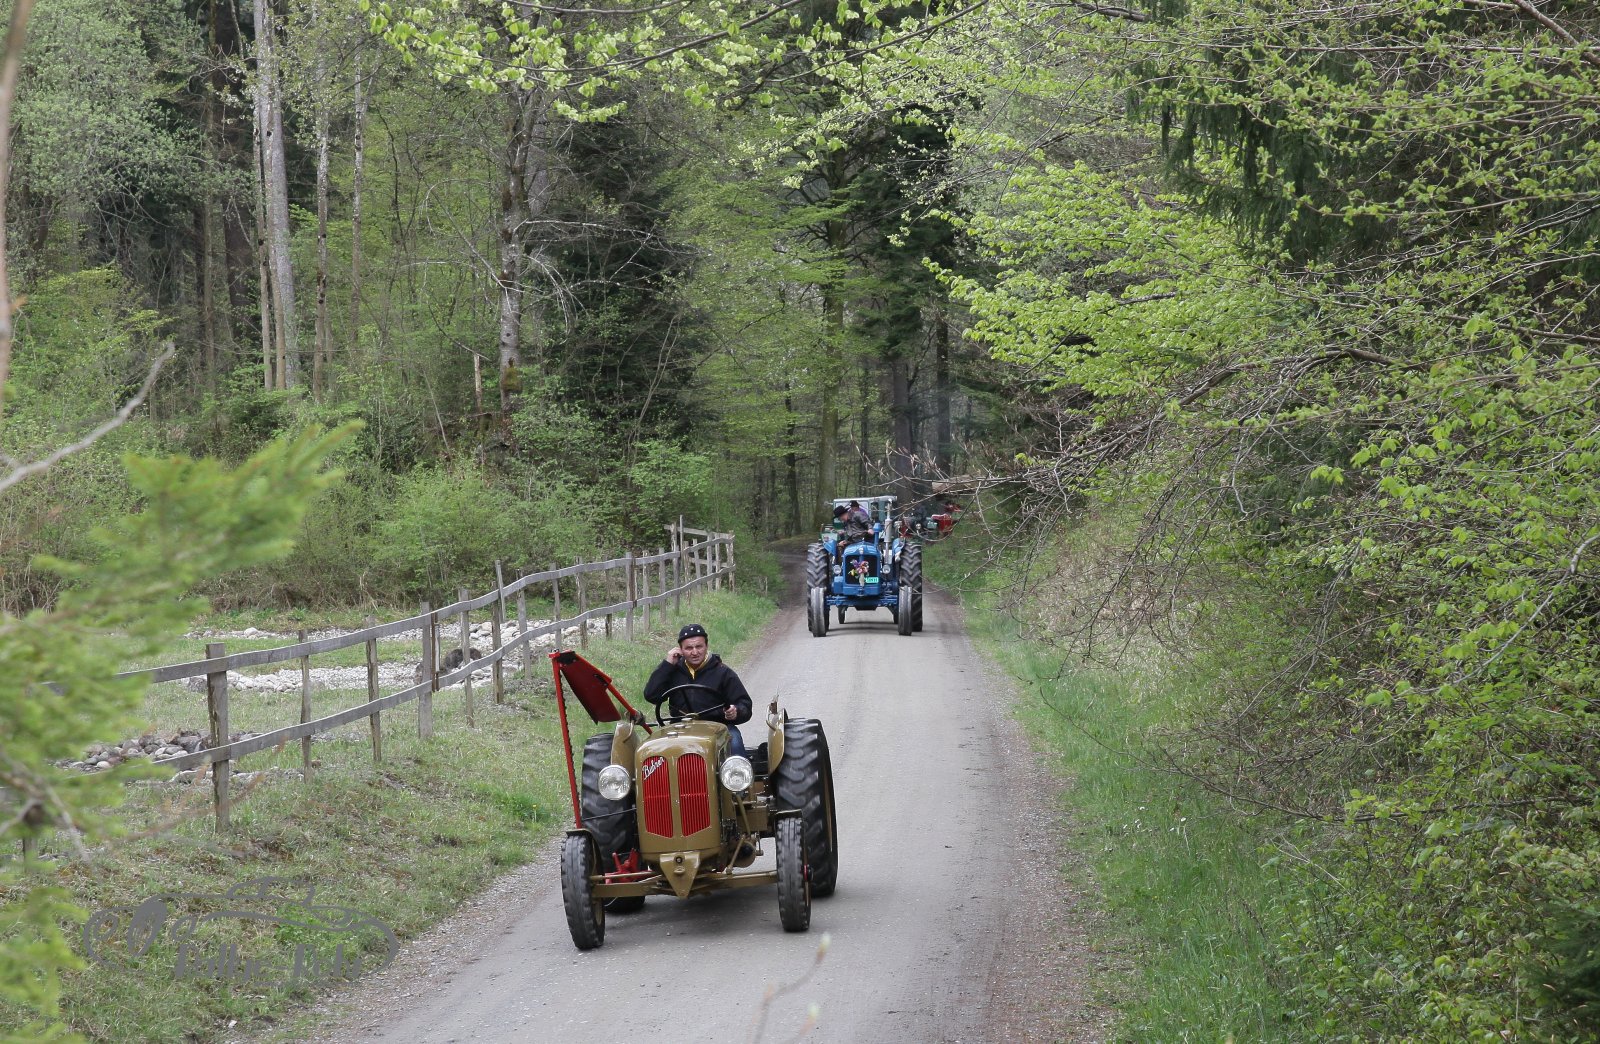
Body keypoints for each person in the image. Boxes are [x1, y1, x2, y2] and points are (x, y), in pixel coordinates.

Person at [643, 623, 752, 757]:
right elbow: (651, 695)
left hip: (717, 728)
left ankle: (737, 770)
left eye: (699, 646)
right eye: (689, 648)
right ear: (680, 650)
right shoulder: (672, 671)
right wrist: (667, 664)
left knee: (734, 740)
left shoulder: (723, 672)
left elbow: (745, 705)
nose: (695, 652)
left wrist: (736, 712)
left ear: (706, 646)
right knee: (654, 749)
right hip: (679, 729)